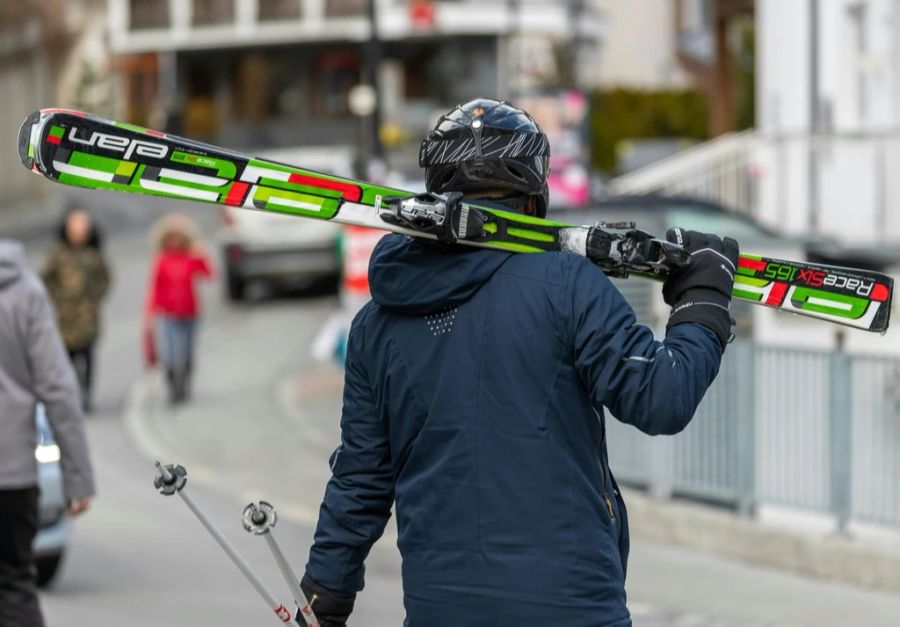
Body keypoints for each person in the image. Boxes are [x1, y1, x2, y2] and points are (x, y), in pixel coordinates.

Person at [299, 99, 739, 626]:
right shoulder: (566, 285)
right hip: (571, 606)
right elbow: (662, 397)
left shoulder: (377, 323)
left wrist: (323, 596)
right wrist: (703, 304)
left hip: (440, 609)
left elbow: (360, 478)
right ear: (536, 192)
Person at [0, 238, 96, 627]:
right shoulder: (23, 290)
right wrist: (78, 478)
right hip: (12, 474)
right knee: (13, 587)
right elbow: (57, 386)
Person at [41, 209, 111, 412]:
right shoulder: (58, 253)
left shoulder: (94, 254)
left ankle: (86, 393)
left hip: (88, 316)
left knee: (87, 358)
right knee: (66, 360)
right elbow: (46, 278)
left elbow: (105, 279)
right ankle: (70, 395)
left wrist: (95, 297)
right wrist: (57, 298)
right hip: (66, 317)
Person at [144, 213, 214, 404]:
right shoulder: (162, 260)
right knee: (172, 353)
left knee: (188, 352)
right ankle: (174, 388)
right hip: (169, 313)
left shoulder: (190, 258)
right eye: (171, 238)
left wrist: (201, 254)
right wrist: (149, 314)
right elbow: (155, 288)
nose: (174, 241)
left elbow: (209, 274)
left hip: (190, 313)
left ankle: (186, 383)